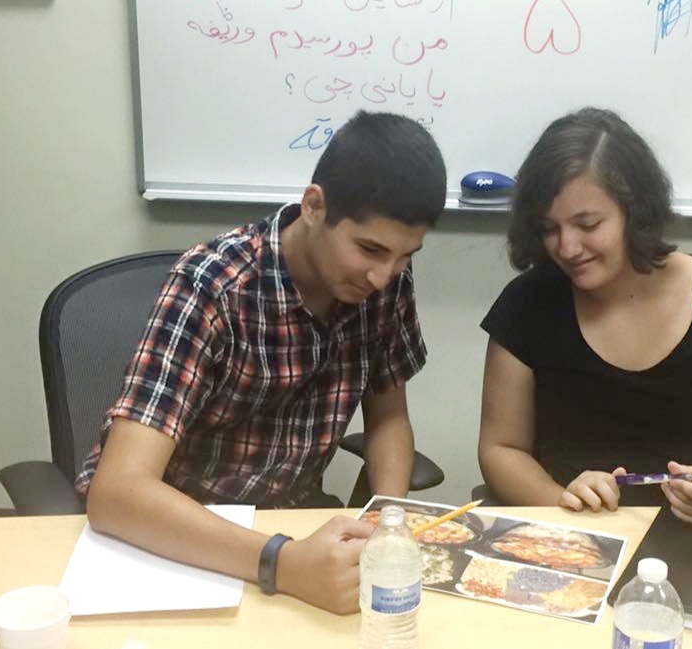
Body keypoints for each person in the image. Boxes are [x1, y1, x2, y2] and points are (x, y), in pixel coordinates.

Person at [77, 110, 447, 613]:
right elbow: (118, 491)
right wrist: (283, 563)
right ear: (314, 206)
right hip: (176, 537)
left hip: (289, 527)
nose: (383, 276)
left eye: (406, 256)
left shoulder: (384, 287)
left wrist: (387, 521)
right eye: (369, 249)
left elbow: (389, 419)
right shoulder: (212, 286)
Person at [478, 107, 692, 524]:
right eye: (550, 228)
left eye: (588, 224)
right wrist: (561, 501)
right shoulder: (527, 305)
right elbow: (501, 450)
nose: (567, 247)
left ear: (635, 213)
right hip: (577, 543)